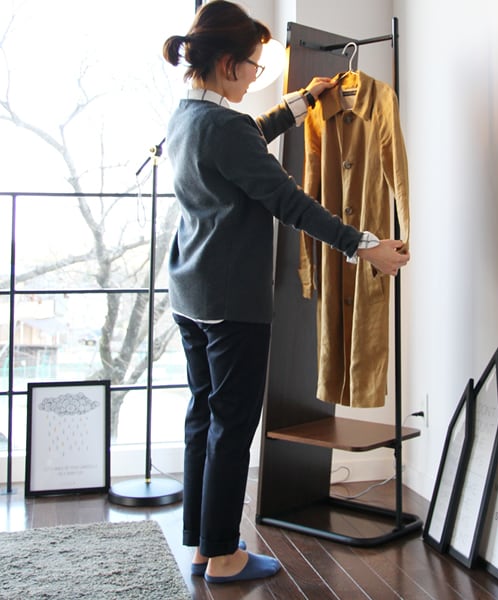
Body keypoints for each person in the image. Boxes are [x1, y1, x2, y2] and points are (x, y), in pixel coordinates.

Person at [162, 0, 410, 585]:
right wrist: (365, 245)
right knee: (231, 427)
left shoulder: (186, 117)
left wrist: (301, 103)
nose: (255, 75)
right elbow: (289, 202)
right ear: (227, 64)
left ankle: (202, 543)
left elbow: (246, 140)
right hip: (231, 303)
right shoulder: (225, 128)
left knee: (204, 417)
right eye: (252, 65)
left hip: (190, 292)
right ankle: (225, 556)